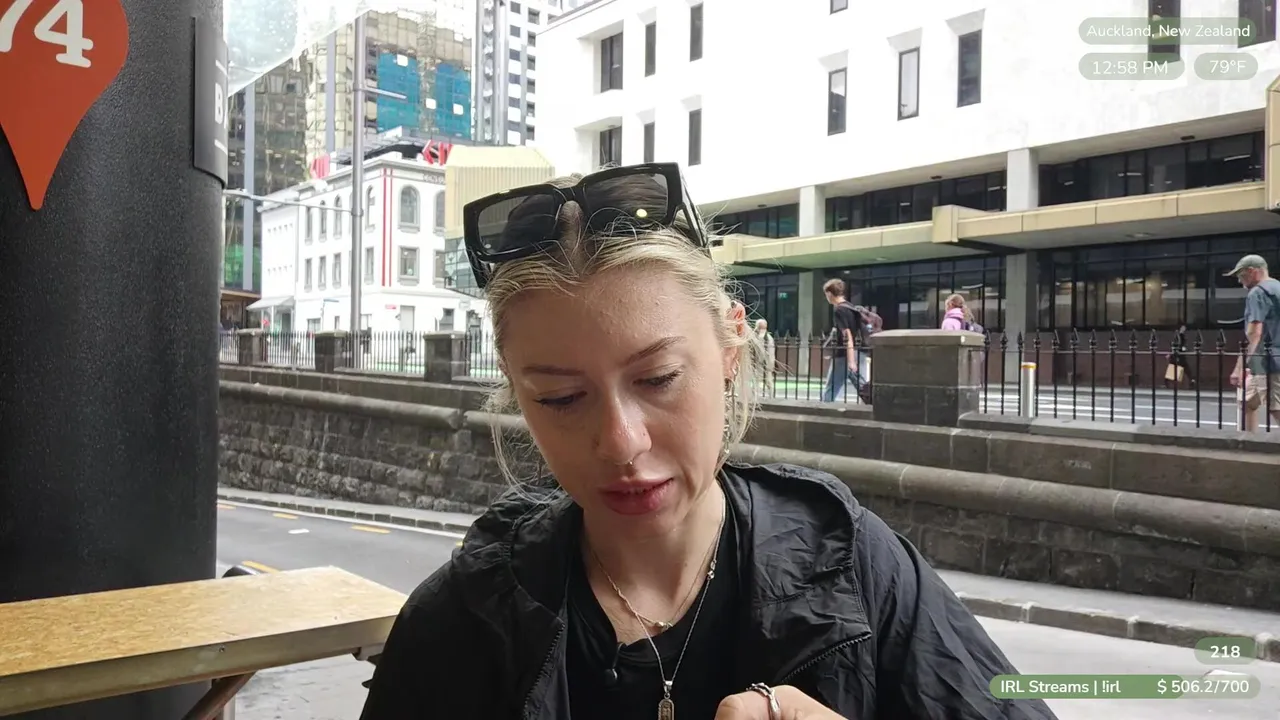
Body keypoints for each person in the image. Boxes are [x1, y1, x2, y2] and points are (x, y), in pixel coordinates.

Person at [359, 163, 1057, 720]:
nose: (622, 443)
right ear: (515, 388)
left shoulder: (853, 564)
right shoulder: (465, 620)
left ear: (730, 345)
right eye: (561, 398)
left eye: (659, 378)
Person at [1225, 254, 1280, 431]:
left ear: (1252, 271)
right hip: (1267, 362)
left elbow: (1254, 332)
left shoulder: (1258, 293)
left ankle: (1248, 442)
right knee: (1247, 402)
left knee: (1276, 407)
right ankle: (1248, 442)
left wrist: (1239, 367)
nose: (1240, 281)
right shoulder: (1278, 288)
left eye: (1241, 275)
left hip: (1268, 362)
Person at [820, 279, 865, 402]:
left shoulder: (839, 310)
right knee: (862, 387)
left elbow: (847, 335)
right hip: (857, 351)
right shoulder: (851, 307)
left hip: (844, 355)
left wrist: (851, 360)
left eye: (826, 294)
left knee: (831, 388)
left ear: (829, 293)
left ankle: (824, 410)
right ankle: (874, 403)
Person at [754, 318, 776, 397]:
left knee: (761, 380)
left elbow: (763, 351)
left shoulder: (763, 337)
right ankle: (770, 396)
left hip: (762, 362)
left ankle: (760, 396)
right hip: (765, 363)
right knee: (766, 381)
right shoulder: (768, 337)